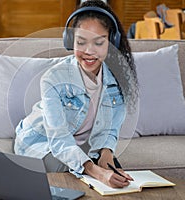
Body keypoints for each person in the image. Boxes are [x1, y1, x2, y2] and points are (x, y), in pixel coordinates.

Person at [14, 0, 138, 188]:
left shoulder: (117, 79)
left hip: (80, 146)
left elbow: (109, 130)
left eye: (98, 42)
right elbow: (59, 139)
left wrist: (106, 156)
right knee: (78, 174)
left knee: (114, 176)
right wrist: (96, 171)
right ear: (70, 40)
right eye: (81, 42)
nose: (89, 51)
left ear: (111, 42)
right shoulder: (53, 78)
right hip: (42, 142)